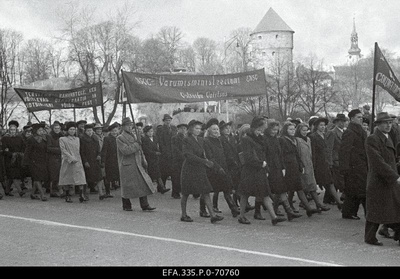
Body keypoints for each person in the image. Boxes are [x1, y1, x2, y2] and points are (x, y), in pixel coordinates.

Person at [237, 117, 287, 226]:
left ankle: (273, 217)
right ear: (255, 127)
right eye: (259, 130)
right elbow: (248, 156)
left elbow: (263, 153)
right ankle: (241, 216)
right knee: (245, 194)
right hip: (250, 170)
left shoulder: (259, 138)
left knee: (264, 193)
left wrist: (265, 167)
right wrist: (261, 163)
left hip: (259, 169)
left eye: (262, 130)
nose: (260, 132)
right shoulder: (246, 139)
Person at [364, 112, 400, 246]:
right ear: (378, 125)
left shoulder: (387, 137)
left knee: (392, 208)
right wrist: (395, 176)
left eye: (390, 123)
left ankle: (395, 233)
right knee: (378, 210)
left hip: (388, 179)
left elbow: (390, 160)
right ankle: (369, 237)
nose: (388, 125)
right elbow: (377, 162)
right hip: (379, 180)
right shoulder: (373, 139)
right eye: (385, 123)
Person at [180, 119, 224, 224]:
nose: (198, 130)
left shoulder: (201, 140)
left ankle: (212, 215)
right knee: (186, 192)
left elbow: (205, 153)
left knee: (206, 191)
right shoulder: (186, 140)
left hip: (200, 169)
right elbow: (188, 155)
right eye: (196, 128)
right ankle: (184, 214)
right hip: (189, 169)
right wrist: (204, 161)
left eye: (199, 128)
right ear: (190, 129)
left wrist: (211, 163)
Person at [279, 121, 321, 217]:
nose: (292, 131)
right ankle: (285, 209)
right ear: (286, 130)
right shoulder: (283, 140)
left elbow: (297, 154)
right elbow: (281, 154)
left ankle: (301, 208)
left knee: (296, 187)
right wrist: (283, 167)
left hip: (295, 165)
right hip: (288, 166)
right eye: (290, 129)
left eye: (293, 129)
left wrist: (300, 165)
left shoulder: (293, 139)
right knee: (291, 188)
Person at [265, 121, 303, 221]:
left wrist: (282, 167)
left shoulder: (276, 139)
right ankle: (285, 211)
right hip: (270, 167)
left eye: (276, 130)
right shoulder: (265, 139)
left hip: (277, 167)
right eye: (273, 129)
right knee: (272, 191)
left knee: (280, 189)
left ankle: (284, 211)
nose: (274, 132)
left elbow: (280, 154)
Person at [116, 117, 156, 212]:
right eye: (128, 126)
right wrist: (137, 144)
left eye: (131, 125)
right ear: (123, 127)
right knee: (127, 186)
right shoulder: (120, 138)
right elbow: (125, 151)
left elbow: (140, 150)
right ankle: (126, 205)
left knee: (142, 183)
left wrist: (143, 159)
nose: (130, 127)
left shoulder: (135, 136)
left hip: (138, 163)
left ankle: (145, 205)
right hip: (127, 165)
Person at [203, 118, 240, 218]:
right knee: (207, 190)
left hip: (224, 168)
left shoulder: (219, 140)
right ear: (209, 131)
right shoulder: (206, 141)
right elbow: (210, 156)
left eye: (217, 129)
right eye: (214, 130)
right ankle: (202, 209)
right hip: (213, 169)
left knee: (226, 188)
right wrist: (217, 167)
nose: (216, 131)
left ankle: (233, 208)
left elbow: (224, 154)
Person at [339, 109, 367, 220]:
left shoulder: (360, 130)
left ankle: (349, 212)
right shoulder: (350, 132)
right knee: (356, 190)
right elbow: (344, 151)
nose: (361, 119)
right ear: (352, 118)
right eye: (359, 117)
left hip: (360, 164)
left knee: (354, 190)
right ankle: (350, 212)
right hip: (353, 166)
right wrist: (345, 168)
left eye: (362, 117)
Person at [295, 122, 330, 212]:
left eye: (306, 130)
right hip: (302, 165)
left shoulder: (308, 139)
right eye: (303, 130)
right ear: (299, 130)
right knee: (303, 186)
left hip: (309, 164)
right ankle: (306, 205)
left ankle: (317, 204)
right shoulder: (297, 140)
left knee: (311, 185)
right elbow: (297, 154)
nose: (305, 132)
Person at [309, 117, 343, 210]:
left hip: (326, 163)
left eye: (324, 125)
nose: (323, 127)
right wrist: (314, 165)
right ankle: (317, 204)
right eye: (321, 125)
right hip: (318, 163)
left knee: (330, 182)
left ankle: (338, 201)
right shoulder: (313, 136)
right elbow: (313, 152)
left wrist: (329, 161)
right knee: (315, 184)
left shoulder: (325, 135)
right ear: (316, 126)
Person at [58, 122, 87, 203]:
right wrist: (70, 157)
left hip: (77, 160)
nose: (72, 131)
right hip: (67, 161)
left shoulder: (77, 139)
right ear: (67, 130)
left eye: (74, 129)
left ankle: (81, 195)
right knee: (67, 178)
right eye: (70, 129)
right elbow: (63, 150)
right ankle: (67, 195)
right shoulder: (62, 139)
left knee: (80, 177)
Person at [23, 123, 49, 201]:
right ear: (35, 131)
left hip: (42, 160)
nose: (41, 132)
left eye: (42, 130)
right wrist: (25, 161)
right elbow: (27, 151)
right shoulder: (31, 139)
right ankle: (42, 195)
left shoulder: (44, 139)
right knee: (37, 178)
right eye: (39, 130)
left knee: (40, 177)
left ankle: (32, 194)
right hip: (33, 161)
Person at [80, 124, 107, 200]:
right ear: (85, 131)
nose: (90, 132)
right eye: (88, 130)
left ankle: (101, 193)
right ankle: (83, 194)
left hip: (95, 160)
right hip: (87, 160)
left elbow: (99, 149)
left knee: (99, 177)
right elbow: (82, 152)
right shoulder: (82, 139)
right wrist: (85, 161)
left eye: (91, 130)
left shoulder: (95, 138)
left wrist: (99, 155)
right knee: (86, 178)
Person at [219, 120, 241, 208]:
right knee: (228, 186)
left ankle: (237, 203)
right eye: (225, 129)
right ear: (221, 130)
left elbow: (235, 150)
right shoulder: (220, 139)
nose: (228, 130)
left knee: (236, 184)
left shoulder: (232, 138)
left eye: (229, 128)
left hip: (234, 164)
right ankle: (233, 206)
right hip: (227, 164)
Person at [325, 114, 347, 204]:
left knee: (336, 180)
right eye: (340, 121)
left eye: (344, 121)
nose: (342, 123)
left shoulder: (344, 132)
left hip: (342, 159)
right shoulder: (332, 133)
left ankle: (328, 198)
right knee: (337, 180)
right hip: (335, 159)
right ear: (336, 122)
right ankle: (331, 198)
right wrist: (329, 162)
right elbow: (329, 148)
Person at [142, 125, 170, 194]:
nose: (151, 133)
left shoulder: (155, 138)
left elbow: (158, 146)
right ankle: (149, 188)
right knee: (150, 174)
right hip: (149, 159)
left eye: (152, 131)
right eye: (149, 131)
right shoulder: (144, 139)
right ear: (146, 132)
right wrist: (155, 153)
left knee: (158, 173)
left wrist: (160, 151)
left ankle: (161, 187)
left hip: (156, 159)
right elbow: (146, 150)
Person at [2, 120, 26, 197]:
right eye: (11, 130)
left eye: (14, 130)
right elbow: (4, 149)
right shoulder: (5, 138)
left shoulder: (19, 138)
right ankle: (20, 191)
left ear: (16, 130)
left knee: (11, 176)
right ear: (9, 129)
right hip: (9, 159)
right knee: (13, 175)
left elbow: (23, 147)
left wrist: (21, 153)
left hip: (18, 159)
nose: (12, 131)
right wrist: (11, 154)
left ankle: (7, 190)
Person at [157, 114, 177, 186]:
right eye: (166, 120)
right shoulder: (160, 129)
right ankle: (161, 186)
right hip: (164, 153)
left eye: (169, 120)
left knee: (172, 171)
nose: (168, 122)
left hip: (173, 152)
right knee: (163, 171)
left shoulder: (174, 128)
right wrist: (164, 151)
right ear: (164, 121)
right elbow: (160, 141)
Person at [101, 122, 120, 198]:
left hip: (118, 159)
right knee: (108, 176)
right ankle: (107, 191)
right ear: (110, 131)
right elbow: (104, 150)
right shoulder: (107, 138)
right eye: (113, 131)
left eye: (116, 130)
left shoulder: (119, 138)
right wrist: (103, 161)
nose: (114, 132)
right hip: (110, 160)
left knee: (118, 175)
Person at [170, 123, 188, 199]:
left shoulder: (187, 138)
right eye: (181, 128)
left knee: (184, 176)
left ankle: (183, 190)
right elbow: (175, 149)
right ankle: (175, 192)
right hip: (177, 160)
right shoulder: (175, 138)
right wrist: (183, 155)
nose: (183, 130)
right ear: (178, 129)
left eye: (184, 128)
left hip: (185, 159)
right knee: (176, 177)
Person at [46, 121, 63, 197]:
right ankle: (53, 190)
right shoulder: (50, 136)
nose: (57, 130)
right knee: (54, 175)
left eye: (58, 128)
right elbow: (48, 148)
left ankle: (59, 189)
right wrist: (59, 150)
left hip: (61, 157)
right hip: (53, 158)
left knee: (60, 174)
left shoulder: (62, 135)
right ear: (53, 129)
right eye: (55, 128)